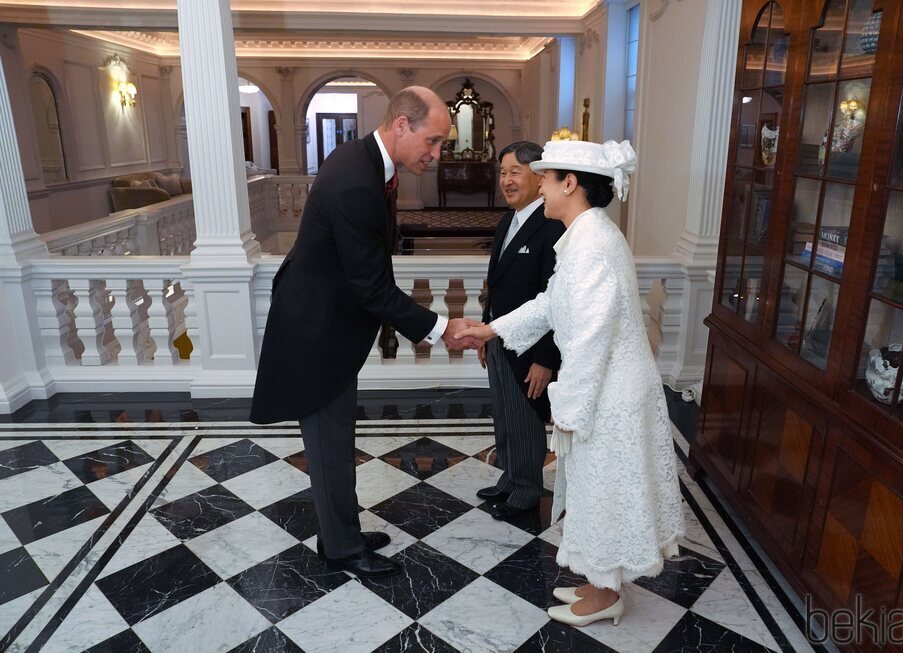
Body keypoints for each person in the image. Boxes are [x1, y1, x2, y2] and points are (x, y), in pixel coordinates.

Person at [250, 87, 480, 579]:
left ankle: (341, 534)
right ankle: (340, 549)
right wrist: (442, 328)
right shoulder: (357, 180)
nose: (437, 155)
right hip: (317, 331)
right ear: (401, 125)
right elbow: (373, 286)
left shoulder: (364, 162)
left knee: (335, 441)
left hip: (325, 320)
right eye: (433, 141)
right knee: (331, 446)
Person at [457, 139, 684, 626]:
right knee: (590, 487)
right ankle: (599, 579)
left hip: (609, 393)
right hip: (603, 386)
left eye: (545, 176)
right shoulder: (581, 235)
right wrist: (491, 328)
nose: (538, 184)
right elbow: (550, 304)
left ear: (570, 184)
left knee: (601, 489)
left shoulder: (594, 244)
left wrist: (569, 407)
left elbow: (589, 338)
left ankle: (607, 595)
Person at [476, 141, 564, 520]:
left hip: (531, 348)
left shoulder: (550, 226)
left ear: (538, 176)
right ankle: (510, 479)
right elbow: (495, 283)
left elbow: (555, 299)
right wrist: (485, 329)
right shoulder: (507, 220)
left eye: (515, 172)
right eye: (502, 173)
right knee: (504, 415)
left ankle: (528, 490)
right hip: (499, 337)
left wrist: (546, 360)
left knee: (526, 418)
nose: (506, 181)